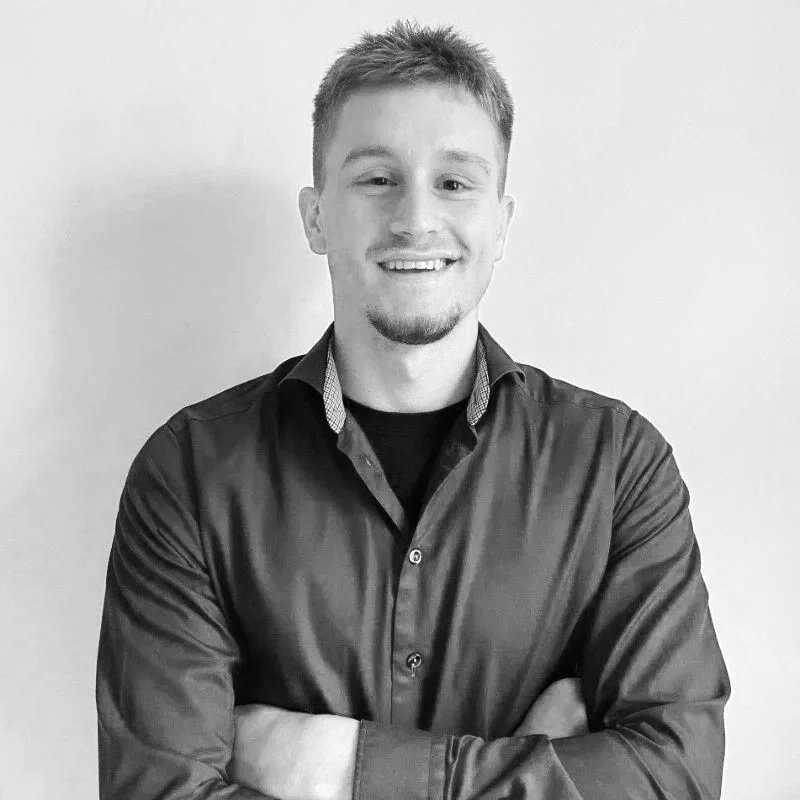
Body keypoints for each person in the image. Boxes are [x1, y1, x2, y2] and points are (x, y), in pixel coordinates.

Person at [96, 19, 730, 800]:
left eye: (455, 182)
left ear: (500, 224)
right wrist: (536, 765)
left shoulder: (619, 467)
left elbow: (676, 776)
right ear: (316, 216)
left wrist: (337, 766)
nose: (416, 220)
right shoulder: (190, 474)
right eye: (376, 179)